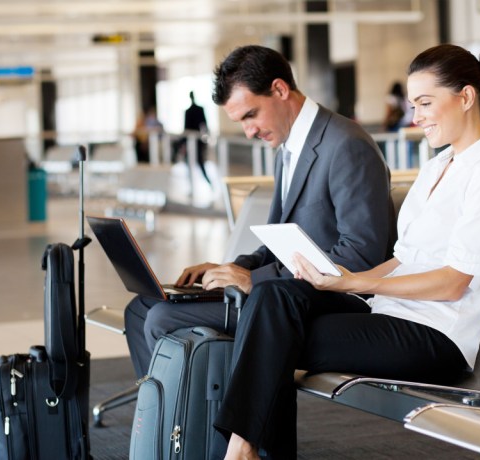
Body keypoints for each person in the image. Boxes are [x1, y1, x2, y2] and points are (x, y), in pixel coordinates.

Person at [214, 43, 480, 460]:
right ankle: (246, 448)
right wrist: (343, 283)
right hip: (390, 312)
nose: (415, 117)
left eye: (426, 103)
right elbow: (405, 256)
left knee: (273, 333)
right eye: (414, 104)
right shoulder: (437, 167)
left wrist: (356, 282)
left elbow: (454, 284)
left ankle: (240, 450)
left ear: (466, 97)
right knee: (274, 297)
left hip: (435, 335)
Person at [123, 45, 396, 381]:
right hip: (284, 291)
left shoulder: (345, 144)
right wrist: (235, 268)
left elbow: (360, 256)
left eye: (251, 115)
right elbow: (276, 241)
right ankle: (158, 423)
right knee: (141, 309)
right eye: (240, 122)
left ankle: (189, 429)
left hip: (333, 300)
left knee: (163, 318)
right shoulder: (289, 147)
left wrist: (255, 280)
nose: (249, 132)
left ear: (280, 90)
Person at [182, 91, 212, 184]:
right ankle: (192, 185)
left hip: (197, 140)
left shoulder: (194, 110)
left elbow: (204, 125)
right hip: (193, 140)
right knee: (192, 163)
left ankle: (208, 183)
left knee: (199, 163)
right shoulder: (190, 111)